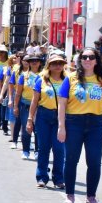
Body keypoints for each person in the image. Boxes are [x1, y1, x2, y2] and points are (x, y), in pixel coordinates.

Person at [57, 47, 102, 203]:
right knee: (71, 160)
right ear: (80, 60)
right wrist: (61, 126)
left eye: (91, 57)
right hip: (74, 123)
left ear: (96, 60)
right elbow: (62, 103)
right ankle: (70, 195)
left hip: (96, 124)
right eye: (84, 57)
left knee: (94, 162)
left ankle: (91, 197)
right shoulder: (71, 78)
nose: (87, 60)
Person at [26, 53, 66, 189]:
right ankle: (42, 176)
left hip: (60, 117)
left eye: (60, 63)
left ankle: (59, 178)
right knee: (43, 148)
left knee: (59, 149)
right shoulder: (41, 80)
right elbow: (34, 101)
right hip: (43, 115)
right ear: (49, 65)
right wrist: (30, 119)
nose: (58, 66)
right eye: (54, 63)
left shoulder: (67, 80)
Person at [14, 54, 42, 160]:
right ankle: (25, 151)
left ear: (40, 63)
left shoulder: (44, 76)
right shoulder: (23, 75)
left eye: (36, 60)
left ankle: (37, 151)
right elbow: (18, 92)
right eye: (32, 61)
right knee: (26, 129)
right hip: (25, 105)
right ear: (29, 63)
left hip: (40, 106)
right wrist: (15, 106)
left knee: (38, 130)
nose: (34, 62)